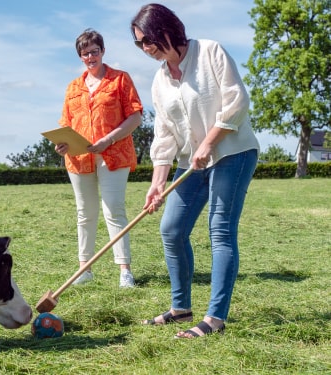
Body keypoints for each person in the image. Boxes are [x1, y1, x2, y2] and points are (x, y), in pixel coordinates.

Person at [130, 4, 259, 337]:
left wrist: (209, 142)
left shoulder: (210, 52)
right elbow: (164, 136)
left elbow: (237, 101)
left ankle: (215, 319)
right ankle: (181, 309)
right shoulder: (160, 80)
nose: (146, 48)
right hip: (191, 165)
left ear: (167, 29)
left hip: (233, 152)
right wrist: (157, 184)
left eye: (149, 40)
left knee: (220, 231)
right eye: (141, 44)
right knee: (171, 230)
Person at [56, 29, 143, 288]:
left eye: (94, 51)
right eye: (85, 53)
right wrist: (62, 145)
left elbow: (136, 117)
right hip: (78, 159)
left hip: (114, 155)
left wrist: (108, 139)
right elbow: (65, 123)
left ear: (103, 52)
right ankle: (85, 269)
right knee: (85, 213)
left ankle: (124, 270)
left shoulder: (120, 79)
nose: (90, 56)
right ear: (80, 57)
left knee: (113, 209)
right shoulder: (73, 87)